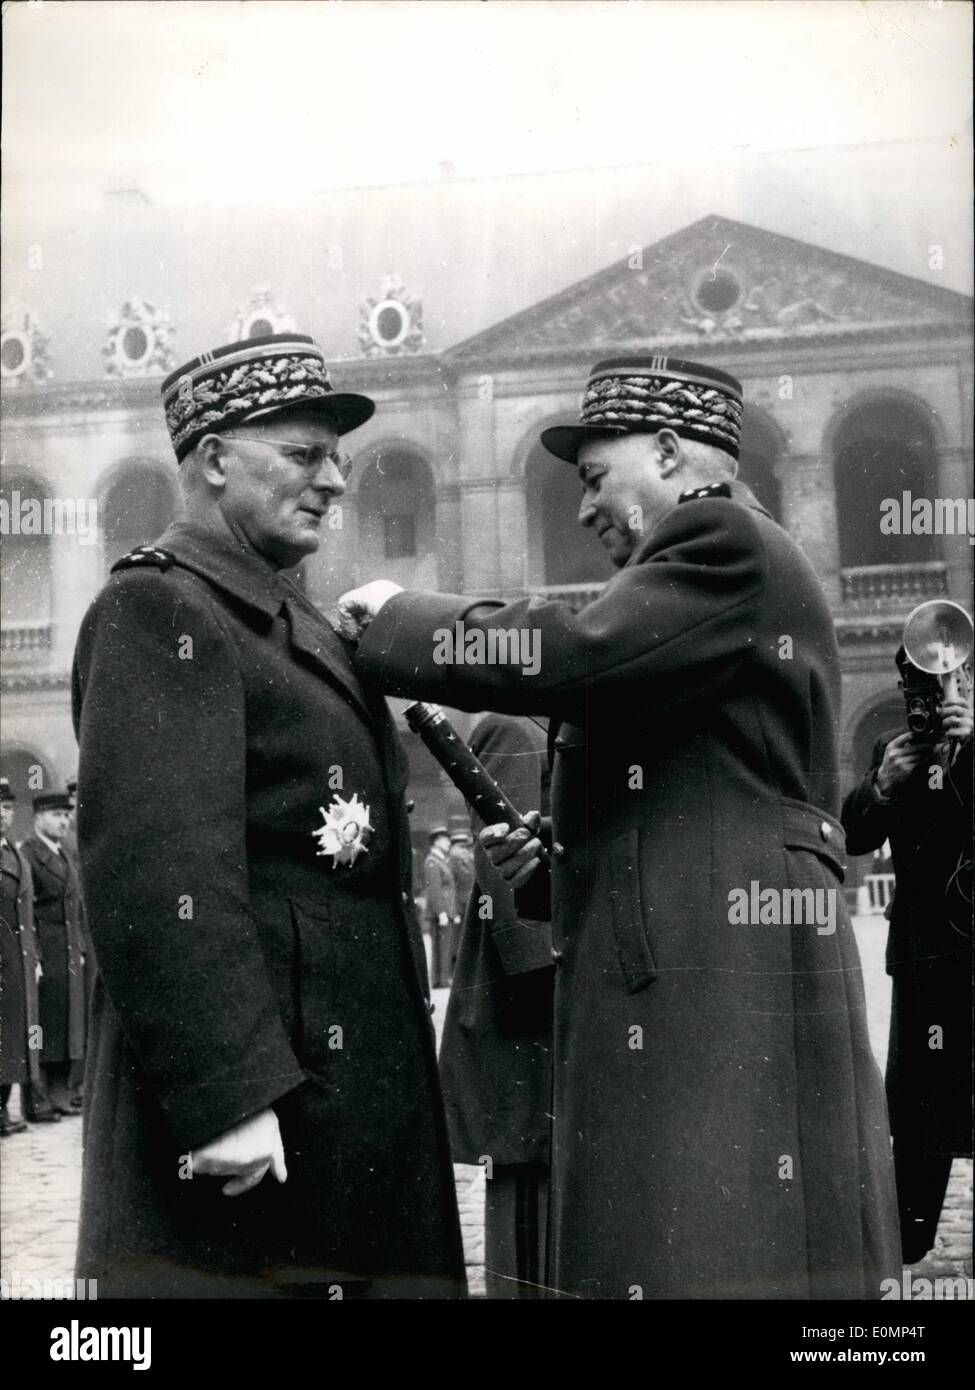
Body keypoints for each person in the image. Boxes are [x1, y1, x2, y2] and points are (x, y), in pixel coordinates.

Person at [339, 354, 901, 1299]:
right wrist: (554, 877)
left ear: (674, 450)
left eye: (595, 477)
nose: (584, 508)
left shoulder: (721, 536)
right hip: (704, 948)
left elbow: (579, 651)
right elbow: (688, 789)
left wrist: (406, 621)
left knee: (712, 1247)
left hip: (714, 962)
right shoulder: (718, 567)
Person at [72, 333, 465, 1298]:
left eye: (335, 458)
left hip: (344, 1103)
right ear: (211, 457)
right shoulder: (163, 608)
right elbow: (159, 874)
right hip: (264, 1118)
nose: (334, 481)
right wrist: (223, 1099)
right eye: (301, 455)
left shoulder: (292, 621)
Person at [842, 655, 973, 1263]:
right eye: (915, 691)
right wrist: (882, 786)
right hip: (922, 959)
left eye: (945, 684)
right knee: (919, 1114)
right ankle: (908, 1242)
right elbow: (852, 837)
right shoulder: (890, 752)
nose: (927, 704)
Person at [439, 714, 554, 1298]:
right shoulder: (514, 729)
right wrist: (557, 982)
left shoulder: (547, 726)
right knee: (528, 1223)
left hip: (539, 1017)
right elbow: (508, 869)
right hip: (530, 1015)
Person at [20, 791, 85, 1120]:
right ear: (38, 817)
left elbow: (75, 905)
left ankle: (60, 1095)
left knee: (64, 1024)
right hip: (45, 946)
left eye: (66, 815)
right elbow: (25, 910)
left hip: (68, 948)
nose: (64, 821)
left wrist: (81, 948)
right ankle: (38, 1099)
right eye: (56, 815)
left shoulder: (63, 854)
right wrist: (36, 955)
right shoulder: (28, 853)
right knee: (43, 1024)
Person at [1, 778, 43, 1135]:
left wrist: (35, 956)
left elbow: (27, 911)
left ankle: (2, 1108)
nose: (5, 814)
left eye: (9, 807)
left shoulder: (12, 853)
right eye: (1, 808)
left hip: (17, 960)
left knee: (13, 1039)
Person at [422, 826, 456, 988]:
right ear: (436, 842)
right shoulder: (432, 862)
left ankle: (442, 978)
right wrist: (441, 912)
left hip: (446, 910)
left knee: (445, 946)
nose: (448, 843)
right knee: (441, 947)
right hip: (440, 911)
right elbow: (434, 890)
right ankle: (440, 979)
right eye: (444, 840)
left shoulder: (440, 860)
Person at [447, 825, 475, 975]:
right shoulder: (456, 858)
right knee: (461, 937)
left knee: (477, 930)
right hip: (466, 901)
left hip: (477, 899)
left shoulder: (467, 857)